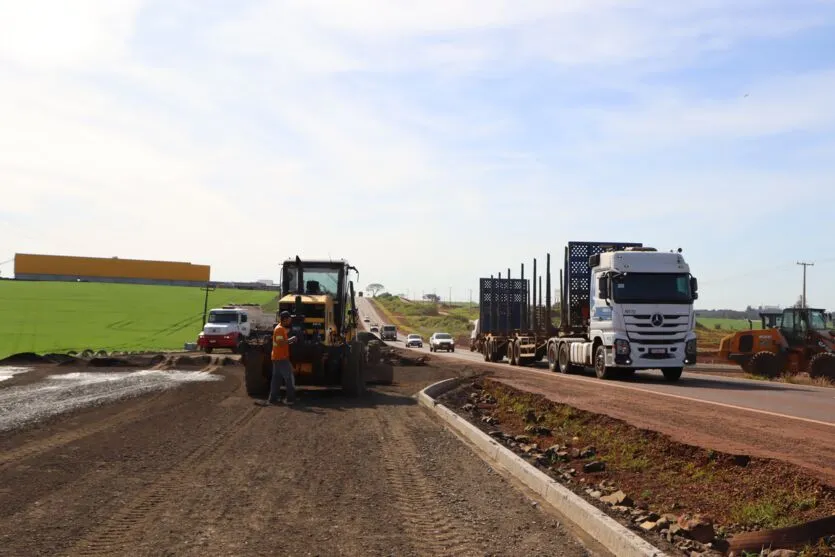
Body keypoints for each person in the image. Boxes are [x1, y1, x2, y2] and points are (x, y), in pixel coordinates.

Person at [266, 310, 297, 405]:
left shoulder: (280, 328)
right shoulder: (279, 329)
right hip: (281, 358)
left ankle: (273, 399)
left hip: (277, 357)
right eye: (289, 318)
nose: (291, 320)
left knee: (276, 379)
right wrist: (291, 339)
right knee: (289, 378)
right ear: (285, 319)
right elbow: (280, 343)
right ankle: (290, 400)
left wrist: (289, 341)